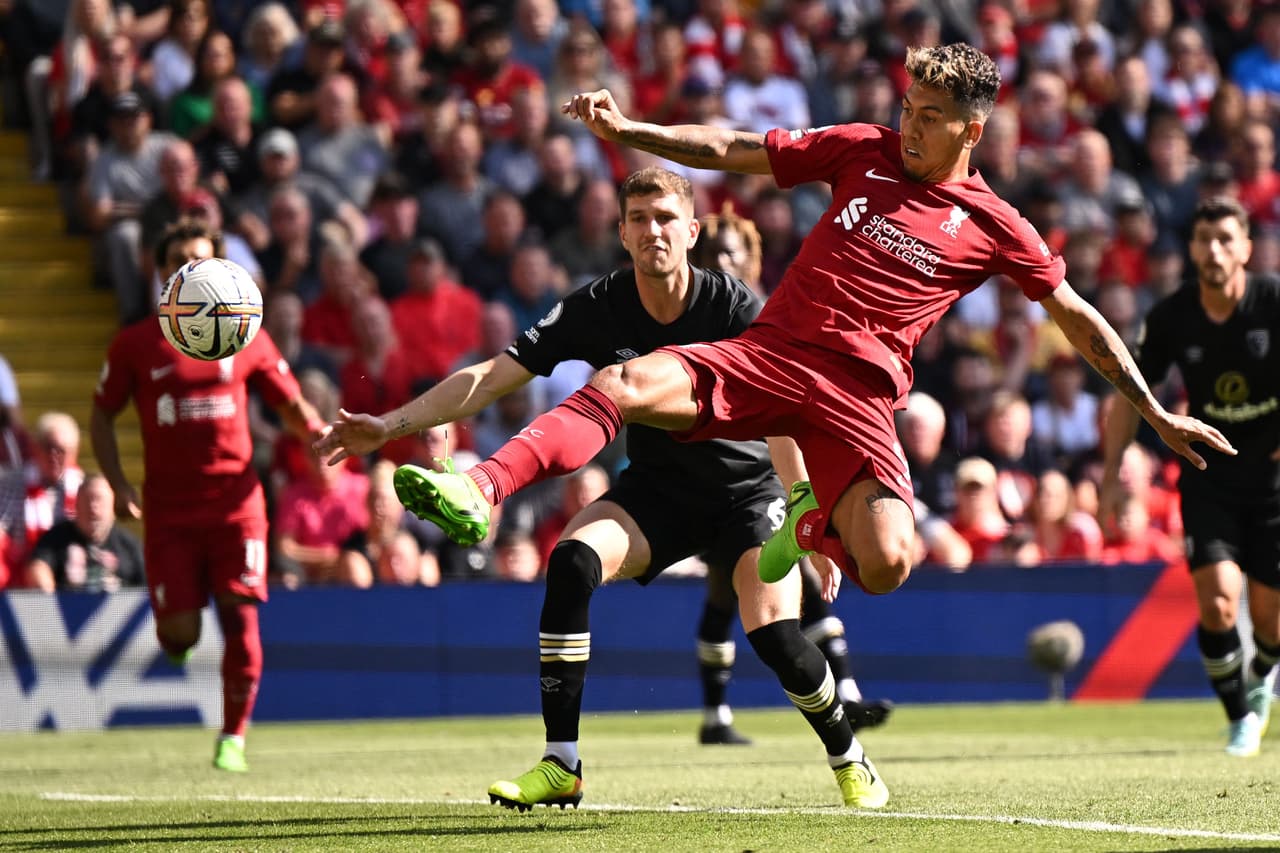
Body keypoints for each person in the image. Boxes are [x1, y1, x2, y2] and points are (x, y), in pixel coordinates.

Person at [378, 44, 1236, 806]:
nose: (909, 127)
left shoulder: (993, 225)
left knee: (888, 563)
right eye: (908, 107)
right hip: (771, 355)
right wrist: (633, 131)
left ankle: (814, 527)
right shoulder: (863, 149)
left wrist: (1154, 409)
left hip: (858, 402)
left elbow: (1076, 314)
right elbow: (734, 149)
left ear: (971, 131)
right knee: (623, 381)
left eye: (930, 117)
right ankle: (481, 486)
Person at [316, 167, 891, 810]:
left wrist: (810, 516)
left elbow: (783, 415)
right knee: (570, 562)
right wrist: (388, 425)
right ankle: (562, 764)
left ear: (692, 232)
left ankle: (850, 757)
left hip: (748, 494)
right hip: (658, 492)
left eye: (666, 218)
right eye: (639, 219)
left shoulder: (732, 305)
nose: (653, 231)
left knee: (775, 636)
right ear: (621, 232)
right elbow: (493, 376)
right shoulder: (598, 305)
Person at [90, 218, 325, 773]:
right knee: (180, 633)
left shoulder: (245, 333)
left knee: (241, 616)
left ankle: (233, 737)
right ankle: (178, 641)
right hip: (169, 512)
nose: (188, 269)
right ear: (160, 273)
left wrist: (318, 434)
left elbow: (290, 404)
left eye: (200, 259)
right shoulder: (136, 343)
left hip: (236, 505)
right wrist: (118, 482)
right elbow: (101, 415)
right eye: (178, 261)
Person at [1100, 196, 1279, 758]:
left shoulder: (1273, 303)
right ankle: (1240, 717)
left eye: (1226, 239)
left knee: (1271, 622)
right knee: (1219, 603)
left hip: (1275, 485)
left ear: (1246, 248)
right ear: (1192, 250)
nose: (1214, 251)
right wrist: (1110, 475)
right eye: (1204, 240)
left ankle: (1262, 674)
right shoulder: (1171, 316)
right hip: (1209, 477)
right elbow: (1130, 393)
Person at [26, 473, 144, 593]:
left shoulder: (129, 546)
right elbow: (39, 567)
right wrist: (45, 590)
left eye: (99, 500)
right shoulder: (56, 538)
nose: (93, 507)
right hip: (69, 603)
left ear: (112, 508)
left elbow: (147, 586)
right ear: (76, 506)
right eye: (87, 500)